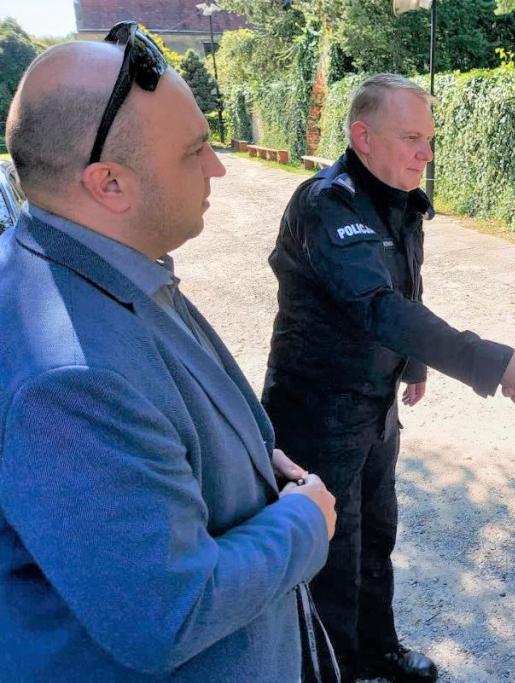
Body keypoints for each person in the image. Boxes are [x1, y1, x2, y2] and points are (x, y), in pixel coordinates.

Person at [0, 27, 337, 681]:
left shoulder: (93, 266)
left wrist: (244, 462)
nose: (217, 168)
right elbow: (168, 611)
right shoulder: (66, 377)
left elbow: (159, 413)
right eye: (194, 152)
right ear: (110, 185)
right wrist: (303, 522)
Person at [262, 73, 515, 683]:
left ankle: (378, 652)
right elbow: (376, 306)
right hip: (319, 412)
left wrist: (414, 363)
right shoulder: (327, 204)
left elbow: (406, 290)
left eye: (429, 139)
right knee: (330, 552)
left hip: (376, 406)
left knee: (377, 535)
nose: (426, 153)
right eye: (411, 139)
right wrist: (498, 363)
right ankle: (335, 671)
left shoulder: (399, 202)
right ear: (363, 137)